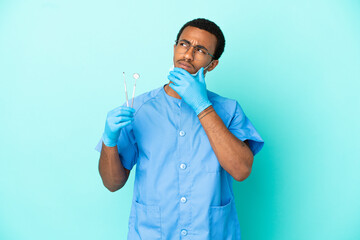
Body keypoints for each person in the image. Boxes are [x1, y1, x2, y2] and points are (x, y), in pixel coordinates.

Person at [95, 18, 264, 240]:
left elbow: (241, 170)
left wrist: (202, 106)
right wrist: (109, 141)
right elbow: (112, 183)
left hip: (211, 233)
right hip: (152, 233)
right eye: (184, 44)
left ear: (212, 64)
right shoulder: (140, 109)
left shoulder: (229, 110)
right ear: (174, 48)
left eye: (201, 50)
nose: (188, 55)